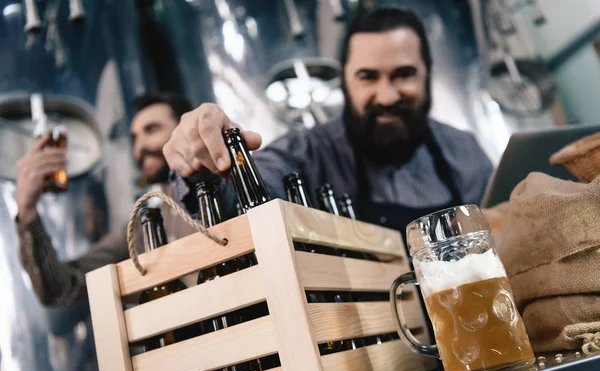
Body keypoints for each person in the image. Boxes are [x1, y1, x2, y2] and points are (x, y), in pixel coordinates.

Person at [164, 7, 493, 233]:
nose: (387, 96)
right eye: (368, 77)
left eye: (404, 74)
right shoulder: (309, 151)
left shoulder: (463, 152)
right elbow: (244, 194)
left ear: (427, 74)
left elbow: (503, 230)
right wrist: (208, 162)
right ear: (346, 80)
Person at [16, 93, 197, 307]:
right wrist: (27, 211)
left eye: (152, 129)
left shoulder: (224, 182)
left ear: (185, 129)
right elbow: (62, 287)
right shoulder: (141, 226)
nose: (139, 147)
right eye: (134, 138)